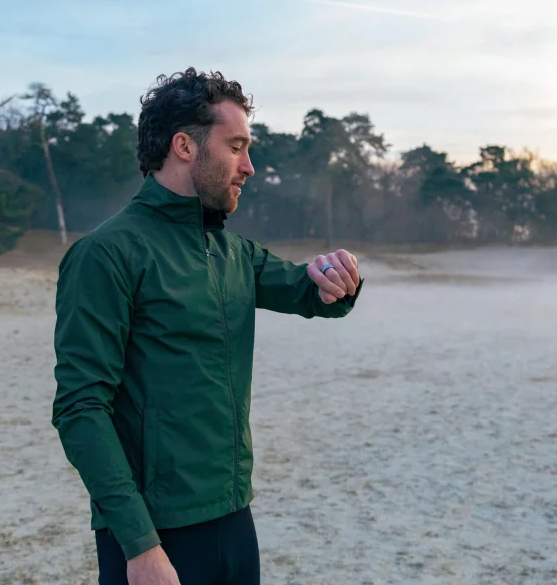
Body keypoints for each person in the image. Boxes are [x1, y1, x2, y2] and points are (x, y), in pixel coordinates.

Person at [52, 68, 364, 585]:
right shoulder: (106, 254)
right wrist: (139, 544)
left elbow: (310, 291)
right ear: (184, 146)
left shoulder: (231, 251)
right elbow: (80, 407)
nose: (250, 166)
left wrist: (339, 277)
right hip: (156, 533)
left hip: (234, 517)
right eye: (236, 147)